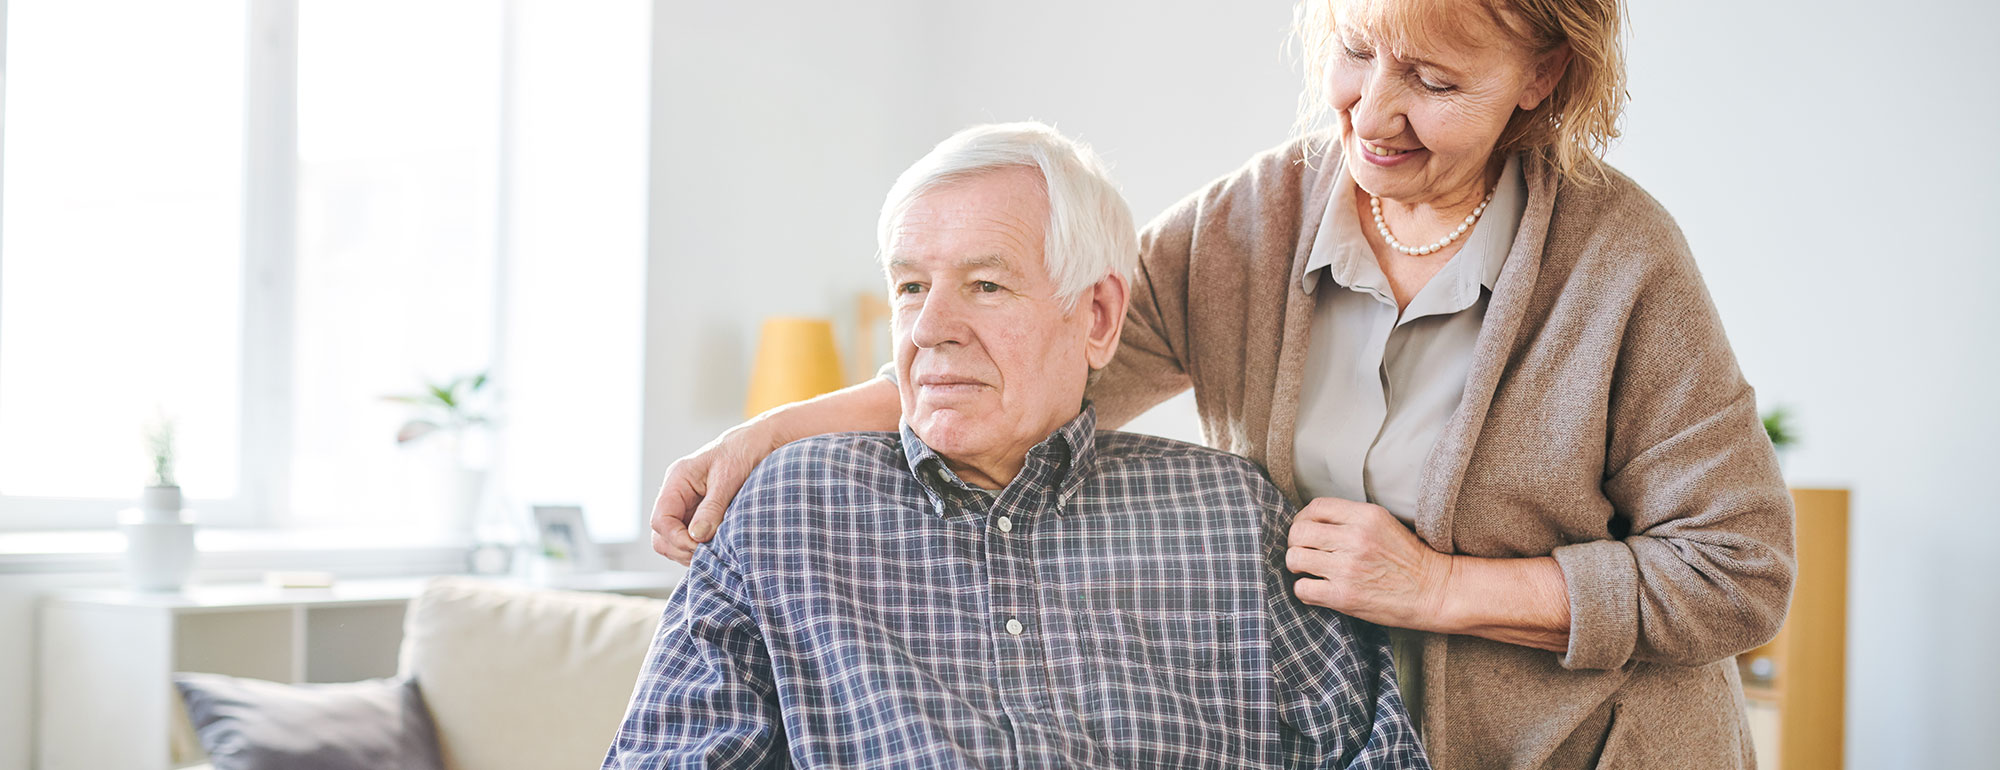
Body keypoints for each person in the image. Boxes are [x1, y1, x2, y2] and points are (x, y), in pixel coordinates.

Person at [650, 0, 1796, 766]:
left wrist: (1441, 587)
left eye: (1433, 79)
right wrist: (771, 436)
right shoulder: (1256, 220)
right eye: (1355, 51)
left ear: (1540, 75)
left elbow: (1738, 570)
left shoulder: (1618, 256)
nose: (1373, 110)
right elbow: (1043, 350)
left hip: (1583, 746)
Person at [607, 123, 1429, 769]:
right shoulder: (788, 512)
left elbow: (1375, 756)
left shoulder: (1230, 516)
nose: (929, 331)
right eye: (910, 288)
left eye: (986, 285)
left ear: (1099, 318)